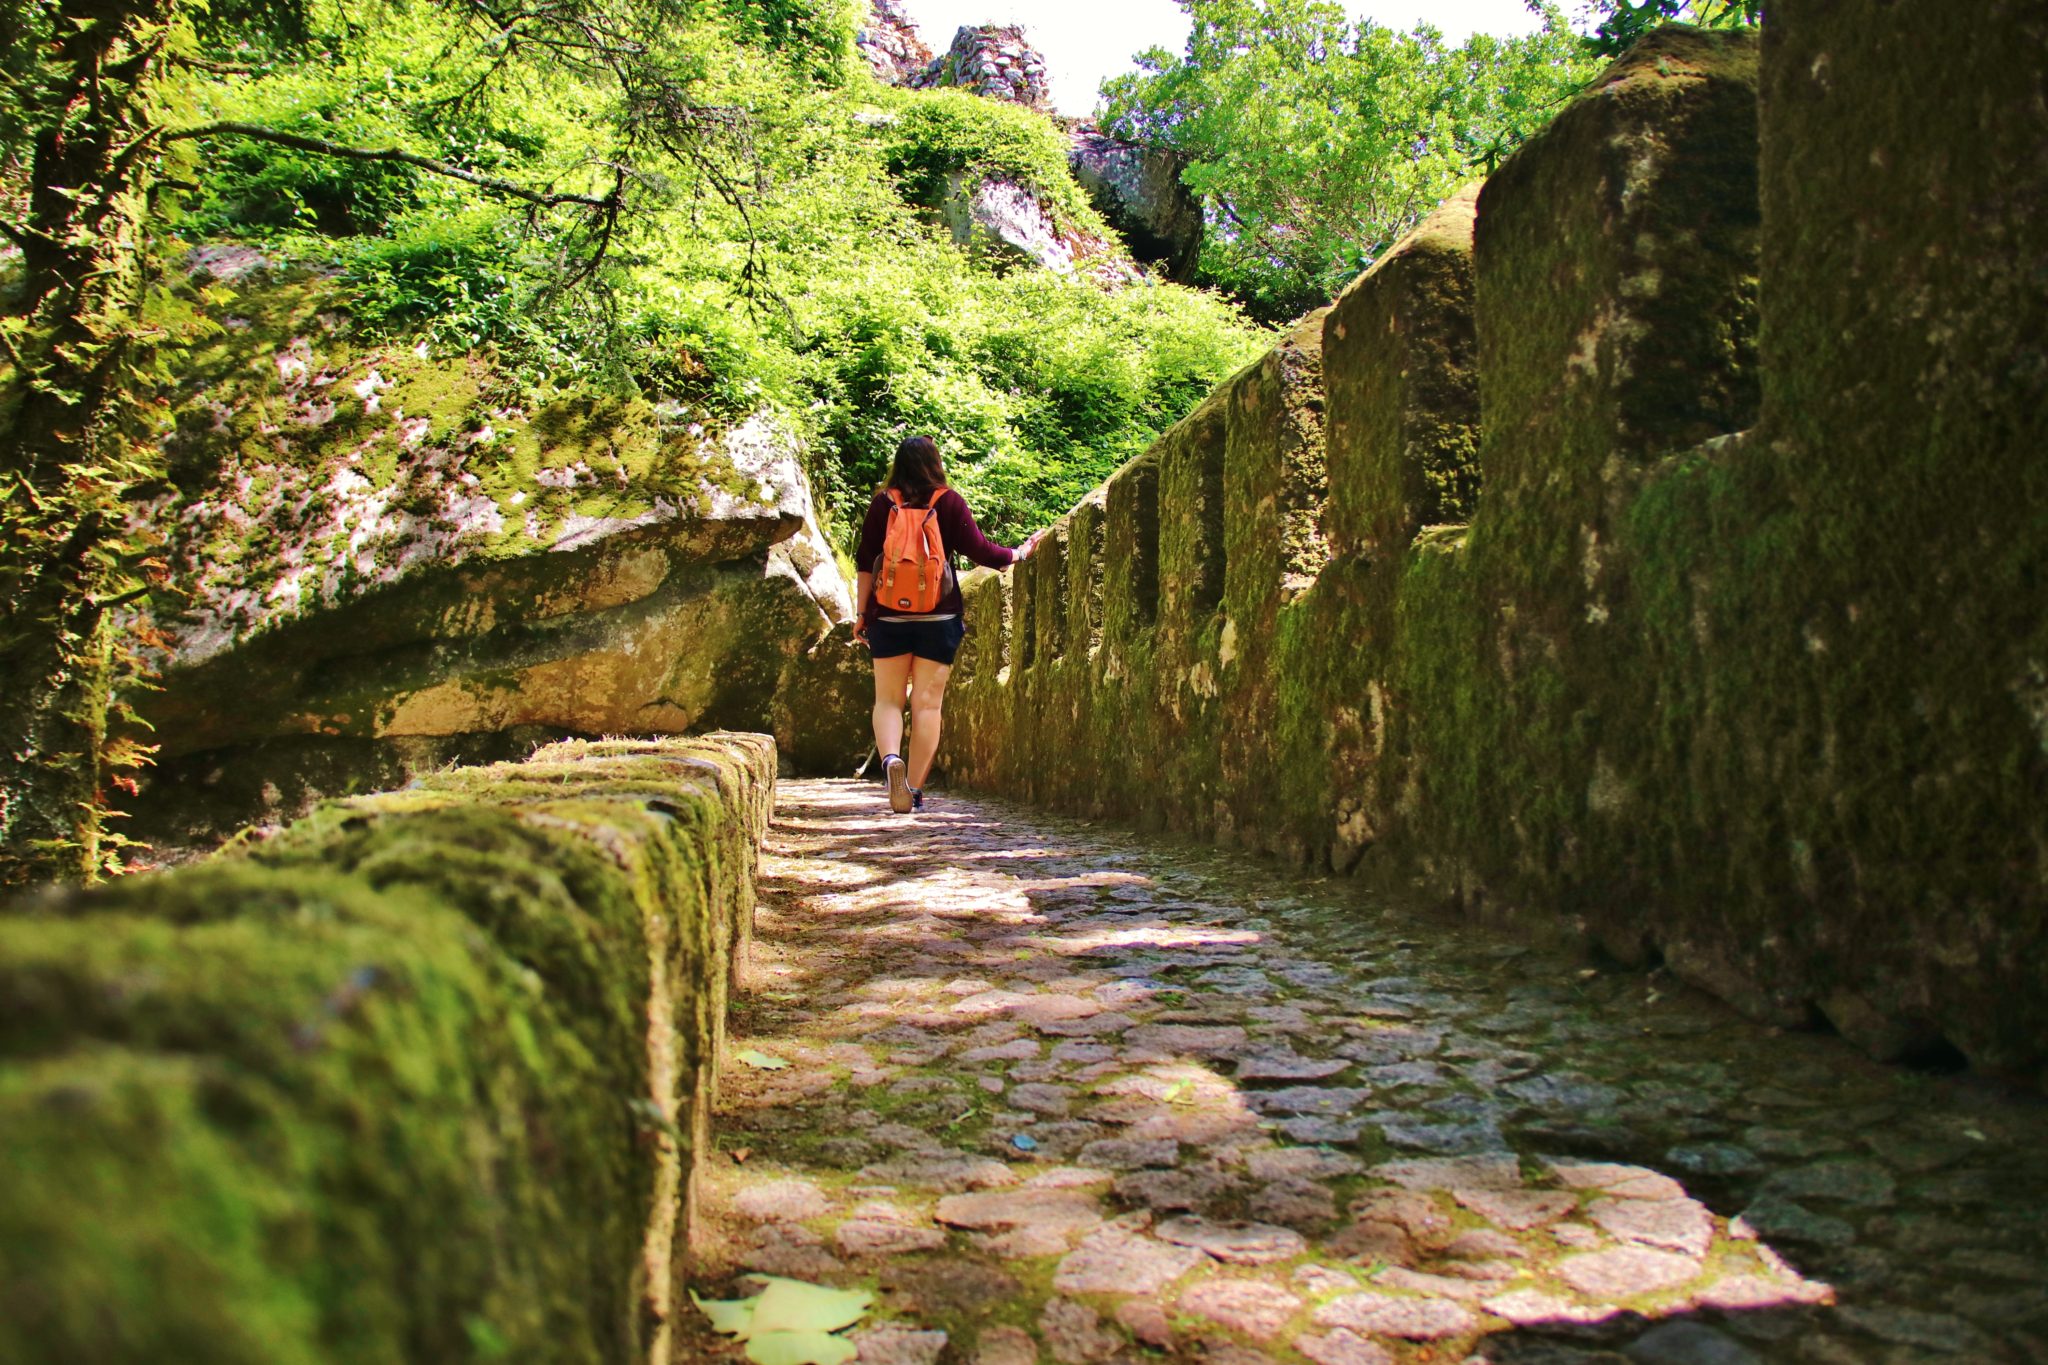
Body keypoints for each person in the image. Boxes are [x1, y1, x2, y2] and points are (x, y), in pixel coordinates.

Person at [854, 435, 1039, 814]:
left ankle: (891, 760)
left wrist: (861, 614)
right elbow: (982, 551)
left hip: (888, 614)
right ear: (935, 463)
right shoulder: (948, 501)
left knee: (888, 700)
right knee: (926, 706)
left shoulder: (882, 504)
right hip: (939, 616)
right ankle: (914, 790)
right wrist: (1019, 553)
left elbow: (864, 560)